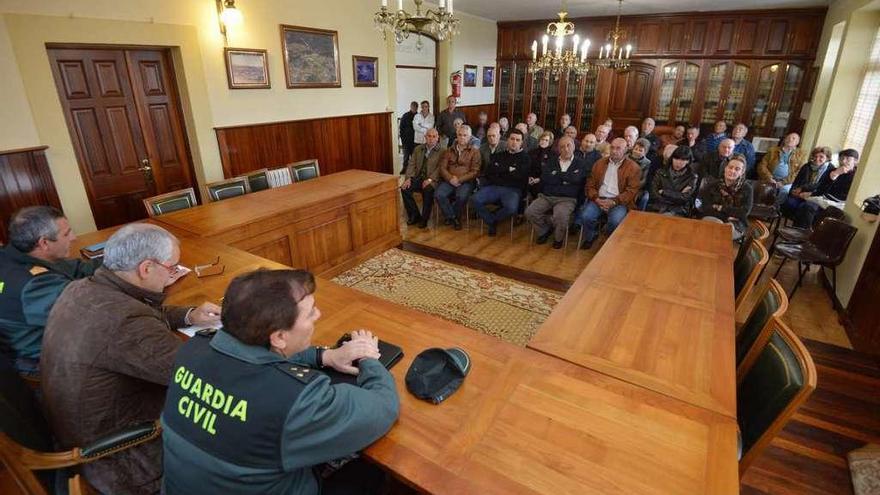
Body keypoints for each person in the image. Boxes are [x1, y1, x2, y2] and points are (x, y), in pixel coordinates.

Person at [161, 269, 399, 495]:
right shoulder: (294, 400)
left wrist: (323, 356)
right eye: (310, 311)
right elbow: (383, 407)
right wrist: (368, 357)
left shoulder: (193, 349)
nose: (318, 315)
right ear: (279, 337)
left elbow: (255, 357)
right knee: (372, 470)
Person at [41, 223, 222, 494]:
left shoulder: (84, 288)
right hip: (120, 455)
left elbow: (137, 313)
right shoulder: (125, 321)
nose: (173, 274)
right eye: (172, 268)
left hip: (76, 425)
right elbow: (195, 374)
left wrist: (188, 315)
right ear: (146, 268)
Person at [0, 206, 99, 375]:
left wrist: (123, 259)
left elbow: (78, 269)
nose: (74, 238)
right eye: (66, 234)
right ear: (44, 243)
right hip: (43, 364)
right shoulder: (34, 285)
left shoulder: (14, 255)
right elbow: (92, 316)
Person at [576, 138, 641, 250]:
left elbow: (632, 191)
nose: (614, 151)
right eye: (612, 147)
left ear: (626, 150)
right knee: (586, 216)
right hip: (598, 199)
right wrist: (596, 198)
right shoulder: (599, 164)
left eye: (618, 148)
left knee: (615, 221)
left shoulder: (633, 168)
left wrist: (614, 201)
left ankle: (607, 239)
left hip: (619, 202)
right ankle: (591, 236)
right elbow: (589, 185)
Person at [525, 136, 589, 249]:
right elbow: (546, 178)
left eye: (568, 145)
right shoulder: (551, 161)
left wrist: (557, 175)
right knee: (530, 212)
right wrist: (566, 180)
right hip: (547, 196)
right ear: (558, 149)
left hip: (567, 198)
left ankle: (558, 238)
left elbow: (577, 179)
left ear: (574, 146)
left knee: (560, 215)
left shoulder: (581, 163)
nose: (566, 149)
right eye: (562, 147)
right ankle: (544, 231)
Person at [472, 129, 531, 236]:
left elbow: (520, 177)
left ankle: (492, 220)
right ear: (507, 140)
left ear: (522, 142)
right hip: (494, 187)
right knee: (475, 199)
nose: (514, 142)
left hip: (513, 190)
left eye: (518, 140)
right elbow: (490, 173)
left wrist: (501, 169)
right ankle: (492, 220)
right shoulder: (498, 155)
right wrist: (510, 169)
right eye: (512, 139)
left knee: (511, 208)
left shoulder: (526, 158)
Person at [791, 148, 859, 228]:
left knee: (808, 207)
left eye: (848, 159)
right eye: (842, 158)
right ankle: (798, 232)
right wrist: (835, 174)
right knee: (804, 205)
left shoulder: (856, 176)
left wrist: (818, 196)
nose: (843, 161)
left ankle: (804, 234)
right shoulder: (833, 171)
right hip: (824, 200)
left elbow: (842, 196)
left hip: (837, 204)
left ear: (855, 161)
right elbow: (822, 188)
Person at [697, 154, 753, 241]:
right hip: (712, 219)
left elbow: (744, 212)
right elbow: (705, 207)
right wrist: (726, 216)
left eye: (737, 169)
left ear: (742, 172)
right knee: (716, 226)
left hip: (736, 224)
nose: (732, 171)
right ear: (725, 168)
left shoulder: (747, 188)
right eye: (730, 167)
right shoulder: (712, 186)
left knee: (723, 231)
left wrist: (720, 207)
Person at [437, 124, 481, 230]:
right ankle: (453, 217)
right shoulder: (448, 150)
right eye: (460, 135)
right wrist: (450, 178)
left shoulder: (475, 152)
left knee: (461, 196)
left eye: (465, 135)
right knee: (439, 194)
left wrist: (459, 179)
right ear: (456, 135)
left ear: (470, 137)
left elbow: (475, 171)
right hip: (449, 179)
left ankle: (451, 217)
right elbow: (442, 168)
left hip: (466, 181)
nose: (462, 137)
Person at [401, 128, 445, 228]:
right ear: (425, 137)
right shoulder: (418, 149)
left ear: (438, 138)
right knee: (404, 189)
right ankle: (414, 215)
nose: (431, 139)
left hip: (433, 180)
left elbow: (440, 168)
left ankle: (424, 219)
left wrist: (430, 180)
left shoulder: (443, 151)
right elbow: (411, 164)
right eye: (429, 136)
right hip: (418, 178)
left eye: (434, 136)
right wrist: (408, 178)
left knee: (427, 190)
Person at [780, 146, 833, 220]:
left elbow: (820, 185)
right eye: (815, 156)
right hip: (800, 193)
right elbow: (797, 181)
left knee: (804, 208)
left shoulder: (830, 170)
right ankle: (790, 224)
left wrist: (803, 189)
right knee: (789, 203)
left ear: (827, 158)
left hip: (815, 195)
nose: (817, 159)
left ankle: (797, 227)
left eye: (821, 157)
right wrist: (792, 191)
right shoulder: (807, 166)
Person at [757, 132, 807, 206]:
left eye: (793, 138)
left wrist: (783, 182)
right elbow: (762, 166)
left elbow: (800, 172)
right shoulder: (773, 150)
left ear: (797, 142)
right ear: (784, 139)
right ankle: (760, 208)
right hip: (771, 178)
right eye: (788, 137)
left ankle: (774, 207)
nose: (790, 139)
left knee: (784, 191)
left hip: (788, 182)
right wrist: (769, 178)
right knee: (764, 188)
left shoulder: (801, 154)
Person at [647, 145, 698, 217]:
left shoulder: (692, 177)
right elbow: (653, 192)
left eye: (683, 160)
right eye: (676, 159)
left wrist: (664, 192)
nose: (678, 163)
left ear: (688, 161)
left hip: (678, 210)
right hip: (658, 206)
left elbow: (684, 198)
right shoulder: (661, 172)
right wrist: (675, 195)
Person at [528, 131, 556, 199]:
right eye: (542, 139)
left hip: (543, 180)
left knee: (539, 188)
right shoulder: (531, 152)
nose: (544, 141)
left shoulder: (553, 155)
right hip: (530, 179)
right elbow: (527, 167)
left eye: (546, 140)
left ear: (550, 142)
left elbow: (551, 171)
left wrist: (539, 179)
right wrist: (529, 177)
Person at [399, 101, 418, 174]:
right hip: (406, 140)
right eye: (413, 107)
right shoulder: (405, 115)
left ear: (417, 108)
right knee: (406, 157)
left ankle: (414, 170)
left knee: (414, 157)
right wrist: (402, 139)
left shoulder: (419, 116)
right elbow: (401, 128)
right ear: (410, 107)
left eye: (415, 107)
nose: (414, 108)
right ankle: (404, 168)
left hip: (415, 141)